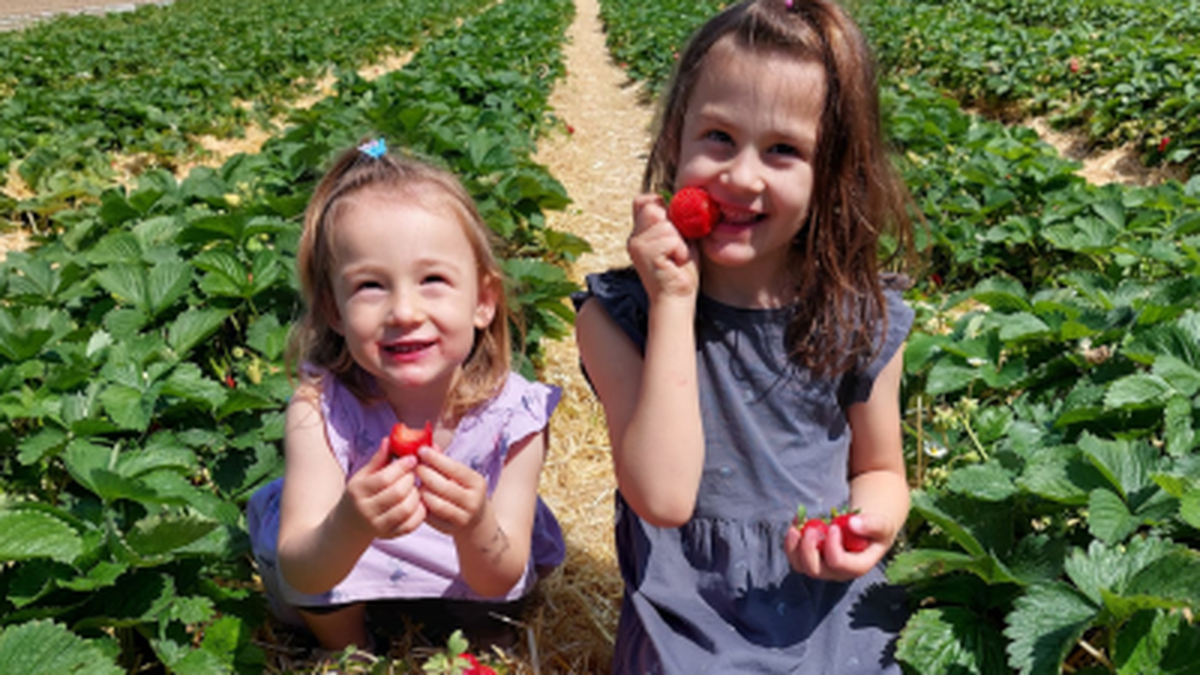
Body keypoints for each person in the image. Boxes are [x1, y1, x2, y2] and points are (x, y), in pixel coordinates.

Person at [572, 0, 917, 671]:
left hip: (825, 596)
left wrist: (869, 525)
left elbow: (880, 469)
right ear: (675, 140)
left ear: (832, 175)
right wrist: (674, 300)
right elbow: (665, 496)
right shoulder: (618, 318)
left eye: (784, 150)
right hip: (689, 615)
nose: (741, 175)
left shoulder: (857, 315)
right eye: (719, 137)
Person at [248, 139, 564, 655]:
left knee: (497, 609)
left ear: (484, 301)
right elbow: (301, 567)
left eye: (433, 279)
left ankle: (477, 640)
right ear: (334, 310)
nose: (404, 311)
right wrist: (349, 523)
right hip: (351, 562)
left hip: (474, 568)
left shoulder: (514, 417)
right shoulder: (320, 408)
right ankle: (349, 651)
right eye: (370, 285)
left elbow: (502, 571)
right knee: (316, 587)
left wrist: (475, 524)